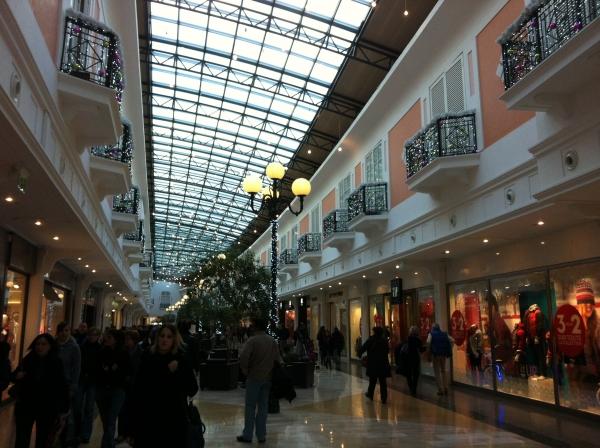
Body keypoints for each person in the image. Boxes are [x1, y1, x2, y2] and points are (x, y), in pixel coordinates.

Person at [134, 324, 198, 448]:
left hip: (174, 417)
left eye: (169, 337)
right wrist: (167, 371)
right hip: (149, 416)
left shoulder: (180, 359)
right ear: (157, 338)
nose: (165, 340)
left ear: (174, 339)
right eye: (162, 336)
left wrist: (178, 373)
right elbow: (140, 387)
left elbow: (192, 388)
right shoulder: (148, 357)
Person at [11, 333, 69, 448]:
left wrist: (64, 410)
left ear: (50, 346)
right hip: (26, 405)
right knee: (22, 438)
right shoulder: (28, 359)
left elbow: (62, 386)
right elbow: (13, 376)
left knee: (43, 439)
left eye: (44, 344)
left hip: (46, 407)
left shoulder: (56, 362)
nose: (40, 347)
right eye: (38, 344)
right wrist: (17, 376)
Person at [237, 317, 280, 444]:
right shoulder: (272, 341)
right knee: (263, 407)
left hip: (254, 377)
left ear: (255, 326)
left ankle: (248, 435)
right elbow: (277, 358)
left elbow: (244, 357)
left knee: (250, 406)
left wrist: (245, 371)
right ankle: (261, 435)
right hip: (267, 378)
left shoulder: (252, 341)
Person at [96, 328, 129, 448]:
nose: (106, 339)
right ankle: (109, 443)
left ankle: (106, 445)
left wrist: (110, 371)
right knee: (106, 421)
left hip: (117, 390)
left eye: (109, 337)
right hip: (102, 389)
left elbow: (126, 371)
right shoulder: (101, 352)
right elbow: (97, 369)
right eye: (106, 337)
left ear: (116, 340)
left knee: (110, 419)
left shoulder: (123, 353)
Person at [56, 321, 81, 446]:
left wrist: (73, 386)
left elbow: (76, 368)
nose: (65, 333)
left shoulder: (74, 347)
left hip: (67, 384)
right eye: (62, 330)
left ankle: (68, 438)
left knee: (67, 413)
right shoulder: (53, 345)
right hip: (54, 384)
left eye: (67, 330)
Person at [77, 327, 101, 444]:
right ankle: (79, 432)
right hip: (82, 380)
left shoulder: (100, 349)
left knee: (89, 408)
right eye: (91, 334)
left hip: (92, 381)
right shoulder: (82, 347)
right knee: (79, 406)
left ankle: (85, 434)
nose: (92, 337)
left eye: (95, 335)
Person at [117, 330, 142, 444]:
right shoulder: (123, 351)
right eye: (126, 339)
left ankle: (132, 434)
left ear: (134, 340)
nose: (126, 341)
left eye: (128, 339)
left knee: (133, 411)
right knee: (122, 411)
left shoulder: (140, 352)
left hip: (135, 386)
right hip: (124, 385)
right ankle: (122, 433)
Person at [359, 327, 391, 404]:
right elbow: (387, 351)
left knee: (372, 380)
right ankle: (384, 398)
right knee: (383, 381)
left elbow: (363, 348)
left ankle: (370, 394)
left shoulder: (371, 339)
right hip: (383, 364)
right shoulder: (384, 341)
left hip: (373, 364)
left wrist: (359, 353)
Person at [427, 323, 453, 395]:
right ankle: (446, 387)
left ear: (433, 328)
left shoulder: (431, 334)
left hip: (435, 355)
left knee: (437, 372)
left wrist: (428, 352)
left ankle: (440, 389)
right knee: (443, 371)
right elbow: (452, 340)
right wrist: (449, 347)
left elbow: (428, 342)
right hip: (443, 355)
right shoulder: (444, 334)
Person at [404, 326, 425, 396]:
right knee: (416, 374)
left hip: (407, 358)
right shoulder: (418, 340)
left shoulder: (407, 339)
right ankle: (414, 389)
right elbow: (421, 350)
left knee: (408, 374)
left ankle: (411, 388)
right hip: (415, 358)